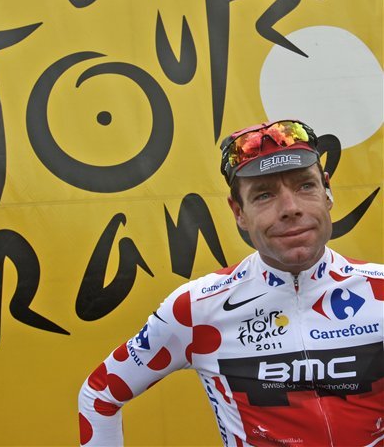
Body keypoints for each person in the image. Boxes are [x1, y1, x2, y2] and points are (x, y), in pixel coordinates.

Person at [78, 119, 384, 446]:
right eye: (264, 195)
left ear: (327, 191)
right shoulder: (196, 309)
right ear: (238, 212)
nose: (291, 208)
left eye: (305, 186)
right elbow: (100, 395)